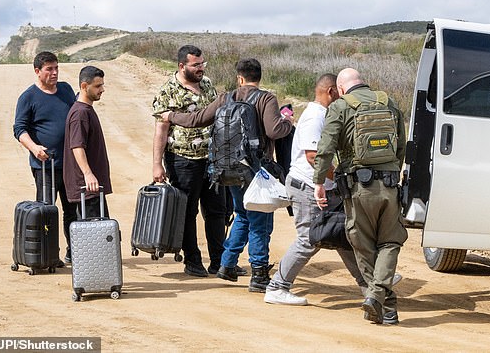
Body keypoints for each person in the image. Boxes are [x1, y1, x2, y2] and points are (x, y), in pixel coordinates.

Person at [162, 58, 294, 292]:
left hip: (227, 169)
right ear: (258, 77)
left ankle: (227, 264)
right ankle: (260, 274)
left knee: (243, 214)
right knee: (260, 223)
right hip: (255, 170)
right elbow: (274, 130)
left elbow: (197, 120)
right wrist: (287, 122)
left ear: (239, 78)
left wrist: (171, 116)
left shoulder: (226, 97)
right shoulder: (266, 99)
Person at [313, 68, 407, 325]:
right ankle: (386, 307)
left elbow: (326, 147)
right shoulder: (388, 102)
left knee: (363, 244)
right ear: (363, 82)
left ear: (341, 89)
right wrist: (393, 173)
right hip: (390, 187)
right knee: (390, 243)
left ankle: (378, 298)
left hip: (359, 189)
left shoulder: (341, 106)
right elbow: (401, 145)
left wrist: (319, 182)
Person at [264, 74, 367, 305]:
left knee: (341, 236)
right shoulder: (315, 117)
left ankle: (368, 285)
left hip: (318, 187)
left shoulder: (322, 115)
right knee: (309, 239)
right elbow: (313, 157)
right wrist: (340, 177)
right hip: (307, 187)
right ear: (332, 91)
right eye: (342, 93)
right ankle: (277, 287)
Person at [152, 45, 230, 278]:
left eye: (202, 63)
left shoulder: (207, 84)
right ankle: (193, 260)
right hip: (183, 160)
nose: (200, 68)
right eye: (195, 65)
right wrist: (157, 164)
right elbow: (161, 129)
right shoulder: (168, 90)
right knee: (187, 212)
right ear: (181, 66)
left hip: (212, 159)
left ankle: (219, 261)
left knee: (217, 211)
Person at [13, 51, 76, 265]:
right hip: (45, 165)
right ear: (37, 71)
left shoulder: (66, 90)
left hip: (71, 164)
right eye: (49, 69)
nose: (55, 72)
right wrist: (33, 148)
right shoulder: (28, 97)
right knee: (47, 210)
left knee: (72, 210)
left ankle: (74, 252)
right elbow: (19, 129)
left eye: (56, 68)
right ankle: (48, 255)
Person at [63, 65, 112, 222]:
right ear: (84, 86)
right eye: (98, 86)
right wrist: (88, 174)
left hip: (93, 188)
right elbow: (77, 146)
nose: (102, 89)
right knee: (95, 237)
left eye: (102, 85)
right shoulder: (80, 113)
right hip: (88, 189)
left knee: (100, 234)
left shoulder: (85, 109)